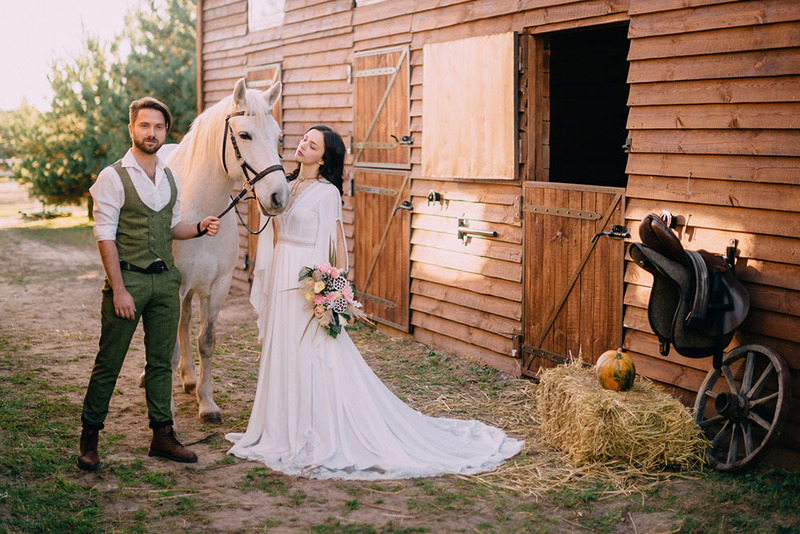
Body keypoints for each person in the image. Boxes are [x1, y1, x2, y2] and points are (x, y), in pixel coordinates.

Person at [226, 125, 523, 479]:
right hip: (282, 273)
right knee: (285, 347)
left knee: (310, 351)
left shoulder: (327, 193)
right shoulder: (287, 185)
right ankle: (280, 425)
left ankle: (315, 427)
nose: (303, 145)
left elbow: (338, 246)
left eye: (313, 144)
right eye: (304, 139)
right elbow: (276, 229)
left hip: (306, 281)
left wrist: (332, 289)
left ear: (324, 158)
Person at [78, 97, 221, 471]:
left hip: (165, 282)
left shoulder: (170, 177)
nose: (151, 133)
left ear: (165, 131)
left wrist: (199, 227)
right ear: (132, 129)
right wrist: (119, 289)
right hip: (129, 282)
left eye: (158, 127)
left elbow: (172, 226)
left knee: (161, 364)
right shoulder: (112, 177)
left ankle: (162, 436)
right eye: (144, 125)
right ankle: (90, 438)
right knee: (109, 362)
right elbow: (104, 236)